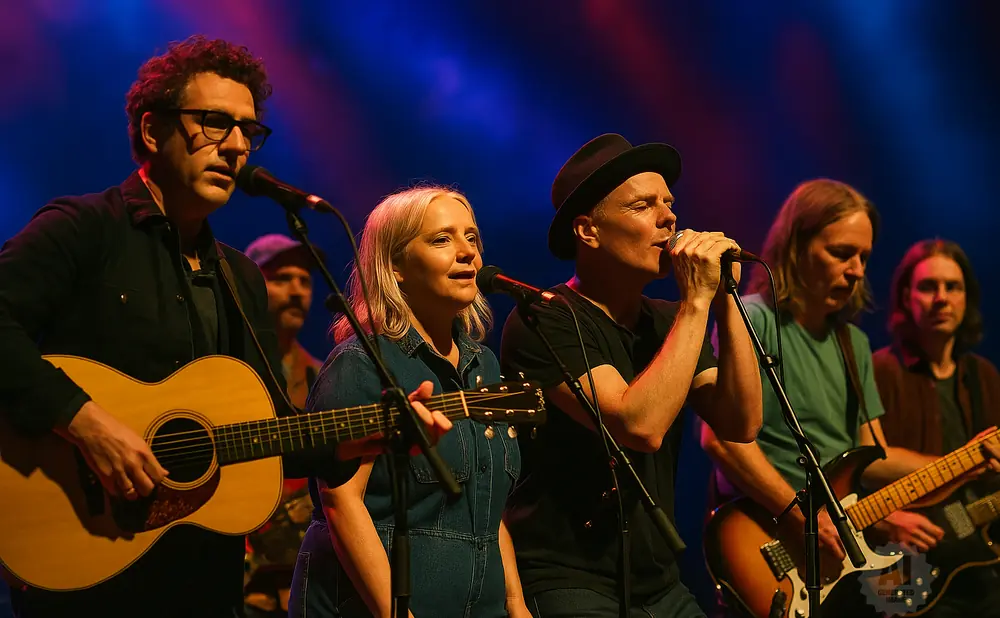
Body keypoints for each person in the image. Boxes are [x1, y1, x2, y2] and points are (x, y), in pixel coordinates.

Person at [0, 36, 448, 618]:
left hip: (202, 579)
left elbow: (264, 431)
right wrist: (85, 422)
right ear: (152, 130)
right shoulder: (84, 229)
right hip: (83, 560)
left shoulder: (239, 277)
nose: (237, 147)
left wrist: (356, 438)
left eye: (249, 131)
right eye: (215, 123)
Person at [699, 180, 999, 616]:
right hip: (767, 536)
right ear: (797, 245)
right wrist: (803, 519)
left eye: (864, 257)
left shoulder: (852, 342)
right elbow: (721, 440)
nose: (857, 270)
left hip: (839, 548)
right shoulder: (752, 318)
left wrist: (967, 460)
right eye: (842, 253)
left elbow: (874, 456)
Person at [499, 133, 764, 617]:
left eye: (670, 203)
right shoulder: (545, 317)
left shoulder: (668, 318)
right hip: (569, 579)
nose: (670, 218)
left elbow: (740, 423)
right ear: (588, 231)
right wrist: (697, 302)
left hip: (659, 582)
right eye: (644, 205)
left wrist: (726, 300)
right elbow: (638, 426)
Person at [288, 186, 530, 617]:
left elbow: (488, 511)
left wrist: (517, 605)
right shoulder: (362, 364)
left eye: (471, 238)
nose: (468, 253)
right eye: (442, 239)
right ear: (395, 266)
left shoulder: (484, 366)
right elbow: (341, 502)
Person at [872, 239, 1000, 617]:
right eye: (928, 287)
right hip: (897, 564)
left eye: (953, 287)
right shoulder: (879, 371)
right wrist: (882, 521)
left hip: (978, 564)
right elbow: (855, 467)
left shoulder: (984, 376)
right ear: (905, 297)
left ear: (967, 298)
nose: (942, 298)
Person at [242, 234, 326, 617]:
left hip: (295, 575)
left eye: (305, 281)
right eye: (281, 278)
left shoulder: (322, 375)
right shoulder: (221, 368)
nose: (296, 291)